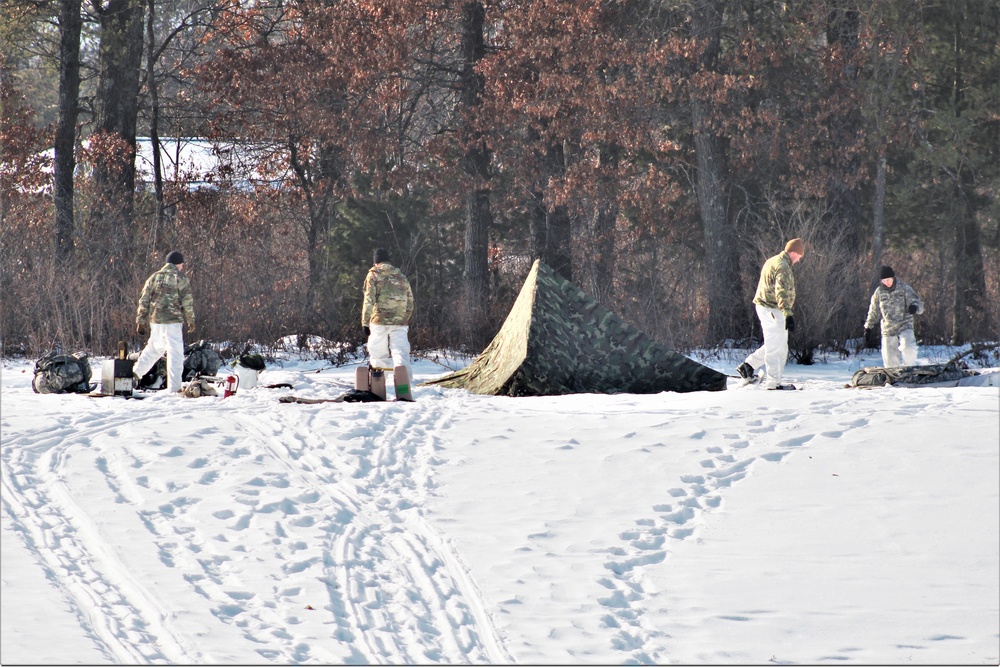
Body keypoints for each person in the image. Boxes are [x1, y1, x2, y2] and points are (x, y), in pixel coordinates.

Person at [737, 238, 805, 390]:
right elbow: (781, 292)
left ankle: (748, 366)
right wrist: (788, 314)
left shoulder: (772, 260)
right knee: (777, 348)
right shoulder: (783, 267)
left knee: (775, 343)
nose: (799, 260)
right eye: (799, 257)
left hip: (764, 308)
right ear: (793, 253)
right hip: (774, 310)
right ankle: (773, 384)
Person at [133, 250, 196, 393]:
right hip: (172, 322)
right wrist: (191, 320)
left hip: (155, 321)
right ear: (179, 264)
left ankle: (135, 373)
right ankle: (174, 388)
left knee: (154, 349)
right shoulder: (180, 278)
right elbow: (187, 301)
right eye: (182, 265)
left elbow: (144, 300)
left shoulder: (153, 277)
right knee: (175, 354)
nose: (182, 267)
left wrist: (141, 321)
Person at [362, 248, 414, 378]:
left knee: (378, 353)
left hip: (379, 320)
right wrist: (403, 318)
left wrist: (365, 322)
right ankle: (404, 383)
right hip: (400, 321)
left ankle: (378, 383)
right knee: (401, 352)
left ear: (376, 262)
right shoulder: (401, 276)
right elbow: (410, 301)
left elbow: (369, 299)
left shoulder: (373, 275)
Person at [864, 265, 923, 367]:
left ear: (893, 277)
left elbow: (918, 303)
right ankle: (893, 377)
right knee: (889, 356)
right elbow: (873, 311)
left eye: (888, 279)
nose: (886, 282)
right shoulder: (879, 292)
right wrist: (868, 327)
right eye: (884, 280)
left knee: (908, 348)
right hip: (888, 327)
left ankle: (909, 369)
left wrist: (915, 307)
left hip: (904, 324)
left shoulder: (904, 288)